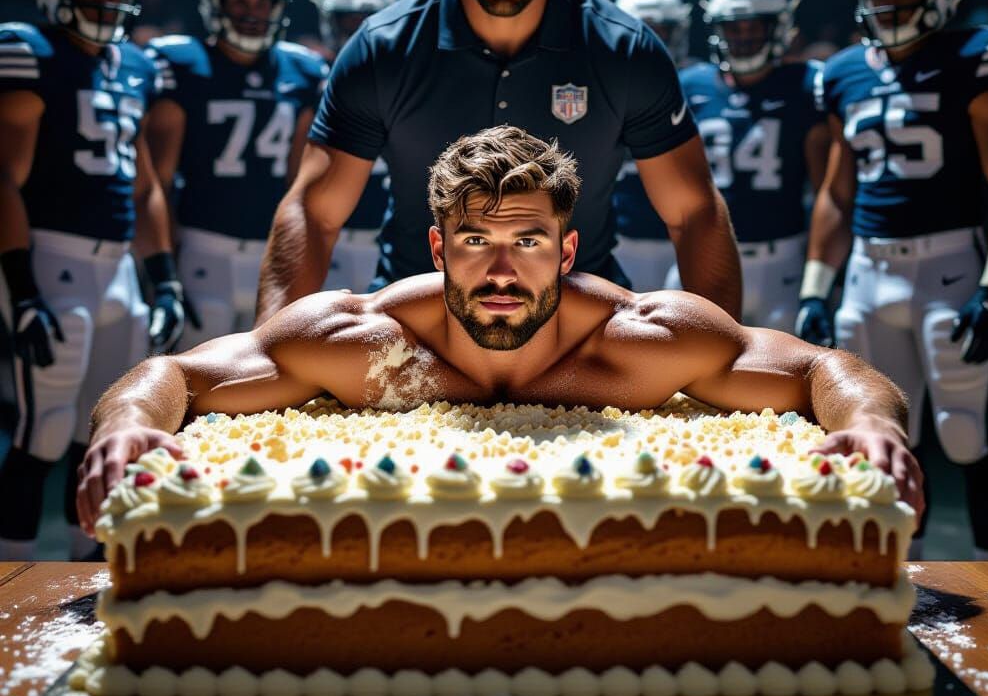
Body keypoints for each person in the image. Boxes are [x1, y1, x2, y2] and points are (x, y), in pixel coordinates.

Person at [77, 124, 923, 537]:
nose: (502, 271)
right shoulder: (362, 338)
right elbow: (176, 374)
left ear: (568, 251)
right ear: (438, 249)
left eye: (529, 242)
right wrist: (126, 428)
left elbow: (824, 368)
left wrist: (873, 424)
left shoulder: (641, 339)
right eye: (476, 242)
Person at [255, 0, 739, 322]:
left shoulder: (624, 50)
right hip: (418, 319)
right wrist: (270, 342)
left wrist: (726, 350)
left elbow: (693, 212)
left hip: (578, 320)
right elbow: (314, 213)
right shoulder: (383, 48)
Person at [795, 0, 988, 560]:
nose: (888, 4)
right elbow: (837, 192)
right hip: (867, 272)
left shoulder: (978, 53)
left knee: (967, 435)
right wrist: (816, 290)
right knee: (885, 432)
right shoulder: (844, 72)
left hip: (950, 265)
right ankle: (902, 573)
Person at [0, 0, 185, 560]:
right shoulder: (28, 49)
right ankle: (10, 580)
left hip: (120, 268)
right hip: (51, 256)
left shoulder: (134, 64)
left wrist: (163, 278)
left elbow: (144, 184)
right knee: (44, 431)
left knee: (105, 429)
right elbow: (5, 178)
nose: (106, 3)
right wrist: (22, 288)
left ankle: (89, 574)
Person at [143, 0, 327, 349]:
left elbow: (297, 182)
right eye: (239, 0)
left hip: (270, 248)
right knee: (196, 368)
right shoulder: (182, 63)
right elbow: (159, 179)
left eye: (262, 2)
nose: (251, 12)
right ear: (214, 0)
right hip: (201, 246)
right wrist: (164, 271)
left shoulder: (303, 69)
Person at [665, 0, 829, 331]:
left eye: (754, 27)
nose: (744, 37)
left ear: (779, 27)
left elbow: (825, 189)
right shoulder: (690, 84)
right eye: (734, 28)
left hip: (782, 259)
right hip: (706, 250)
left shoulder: (806, 85)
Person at [311, 0, 399, 294]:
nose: (359, 35)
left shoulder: (412, 81)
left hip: (389, 236)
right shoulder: (306, 77)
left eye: (369, 22)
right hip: (327, 235)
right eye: (349, 22)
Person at [611, 0, 695, 291]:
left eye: (661, 32)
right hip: (618, 239)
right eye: (642, 31)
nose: (651, 42)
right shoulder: (600, 87)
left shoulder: (700, 86)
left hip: (682, 239)